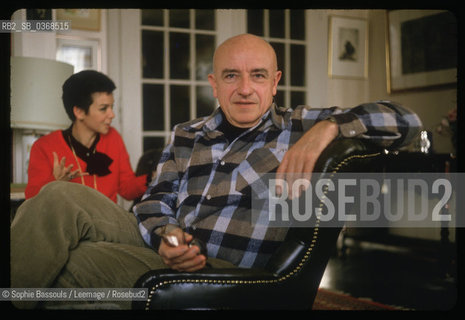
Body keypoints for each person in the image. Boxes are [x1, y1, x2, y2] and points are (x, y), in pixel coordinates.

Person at [11, 34, 422, 309]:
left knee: (73, 259)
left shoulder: (300, 124)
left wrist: (329, 129)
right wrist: (166, 235)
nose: (245, 88)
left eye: (257, 76)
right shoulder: (186, 133)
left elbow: (407, 122)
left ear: (275, 82)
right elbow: (154, 200)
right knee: (55, 195)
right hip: (163, 247)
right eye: (232, 76)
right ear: (215, 83)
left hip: (227, 271)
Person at [24, 70, 147, 203]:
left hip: (108, 222)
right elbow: (32, 201)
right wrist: (55, 183)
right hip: (67, 223)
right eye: (103, 108)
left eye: (112, 107)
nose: (112, 115)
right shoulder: (44, 146)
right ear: (79, 112)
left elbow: (126, 189)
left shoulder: (113, 137)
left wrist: (153, 177)